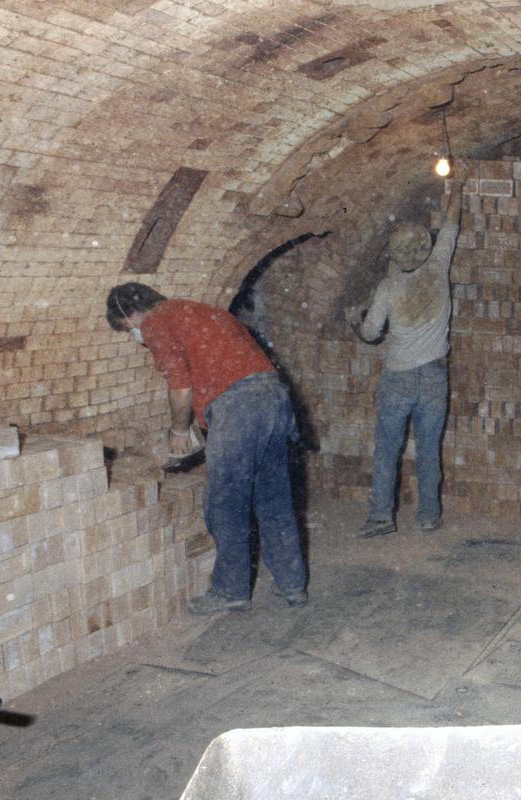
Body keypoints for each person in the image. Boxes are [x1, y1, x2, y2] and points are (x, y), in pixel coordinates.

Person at [105, 282, 308, 614]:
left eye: (128, 329)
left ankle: (231, 591)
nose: (135, 336)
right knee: (273, 497)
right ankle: (292, 585)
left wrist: (178, 431)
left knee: (225, 503)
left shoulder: (156, 321)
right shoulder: (202, 311)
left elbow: (180, 385)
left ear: (130, 314)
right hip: (274, 399)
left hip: (238, 406)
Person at [349, 182, 463, 538]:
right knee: (429, 450)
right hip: (434, 375)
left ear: (395, 254)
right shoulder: (438, 268)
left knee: (387, 449)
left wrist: (355, 321)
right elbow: (451, 224)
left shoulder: (387, 288)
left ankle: (381, 516)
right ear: (425, 248)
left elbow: (371, 333)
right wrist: (457, 188)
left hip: (398, 377)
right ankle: (428, 516)